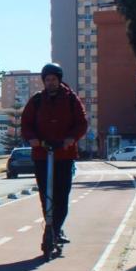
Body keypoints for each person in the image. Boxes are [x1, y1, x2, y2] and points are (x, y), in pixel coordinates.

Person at [21, 62, 87, 252]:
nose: (50, 82)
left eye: (53, 79)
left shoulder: (71, 99)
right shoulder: (36, 100)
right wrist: (32, 138)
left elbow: (82, 123)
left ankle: (55, 229)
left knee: (61, 194)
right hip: (42, 154)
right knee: (45, 194)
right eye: (47, 80)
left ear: (59, 80)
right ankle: (51, 228)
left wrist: (71, 138)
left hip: (64, 154)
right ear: (44, 81)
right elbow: (26, 123)